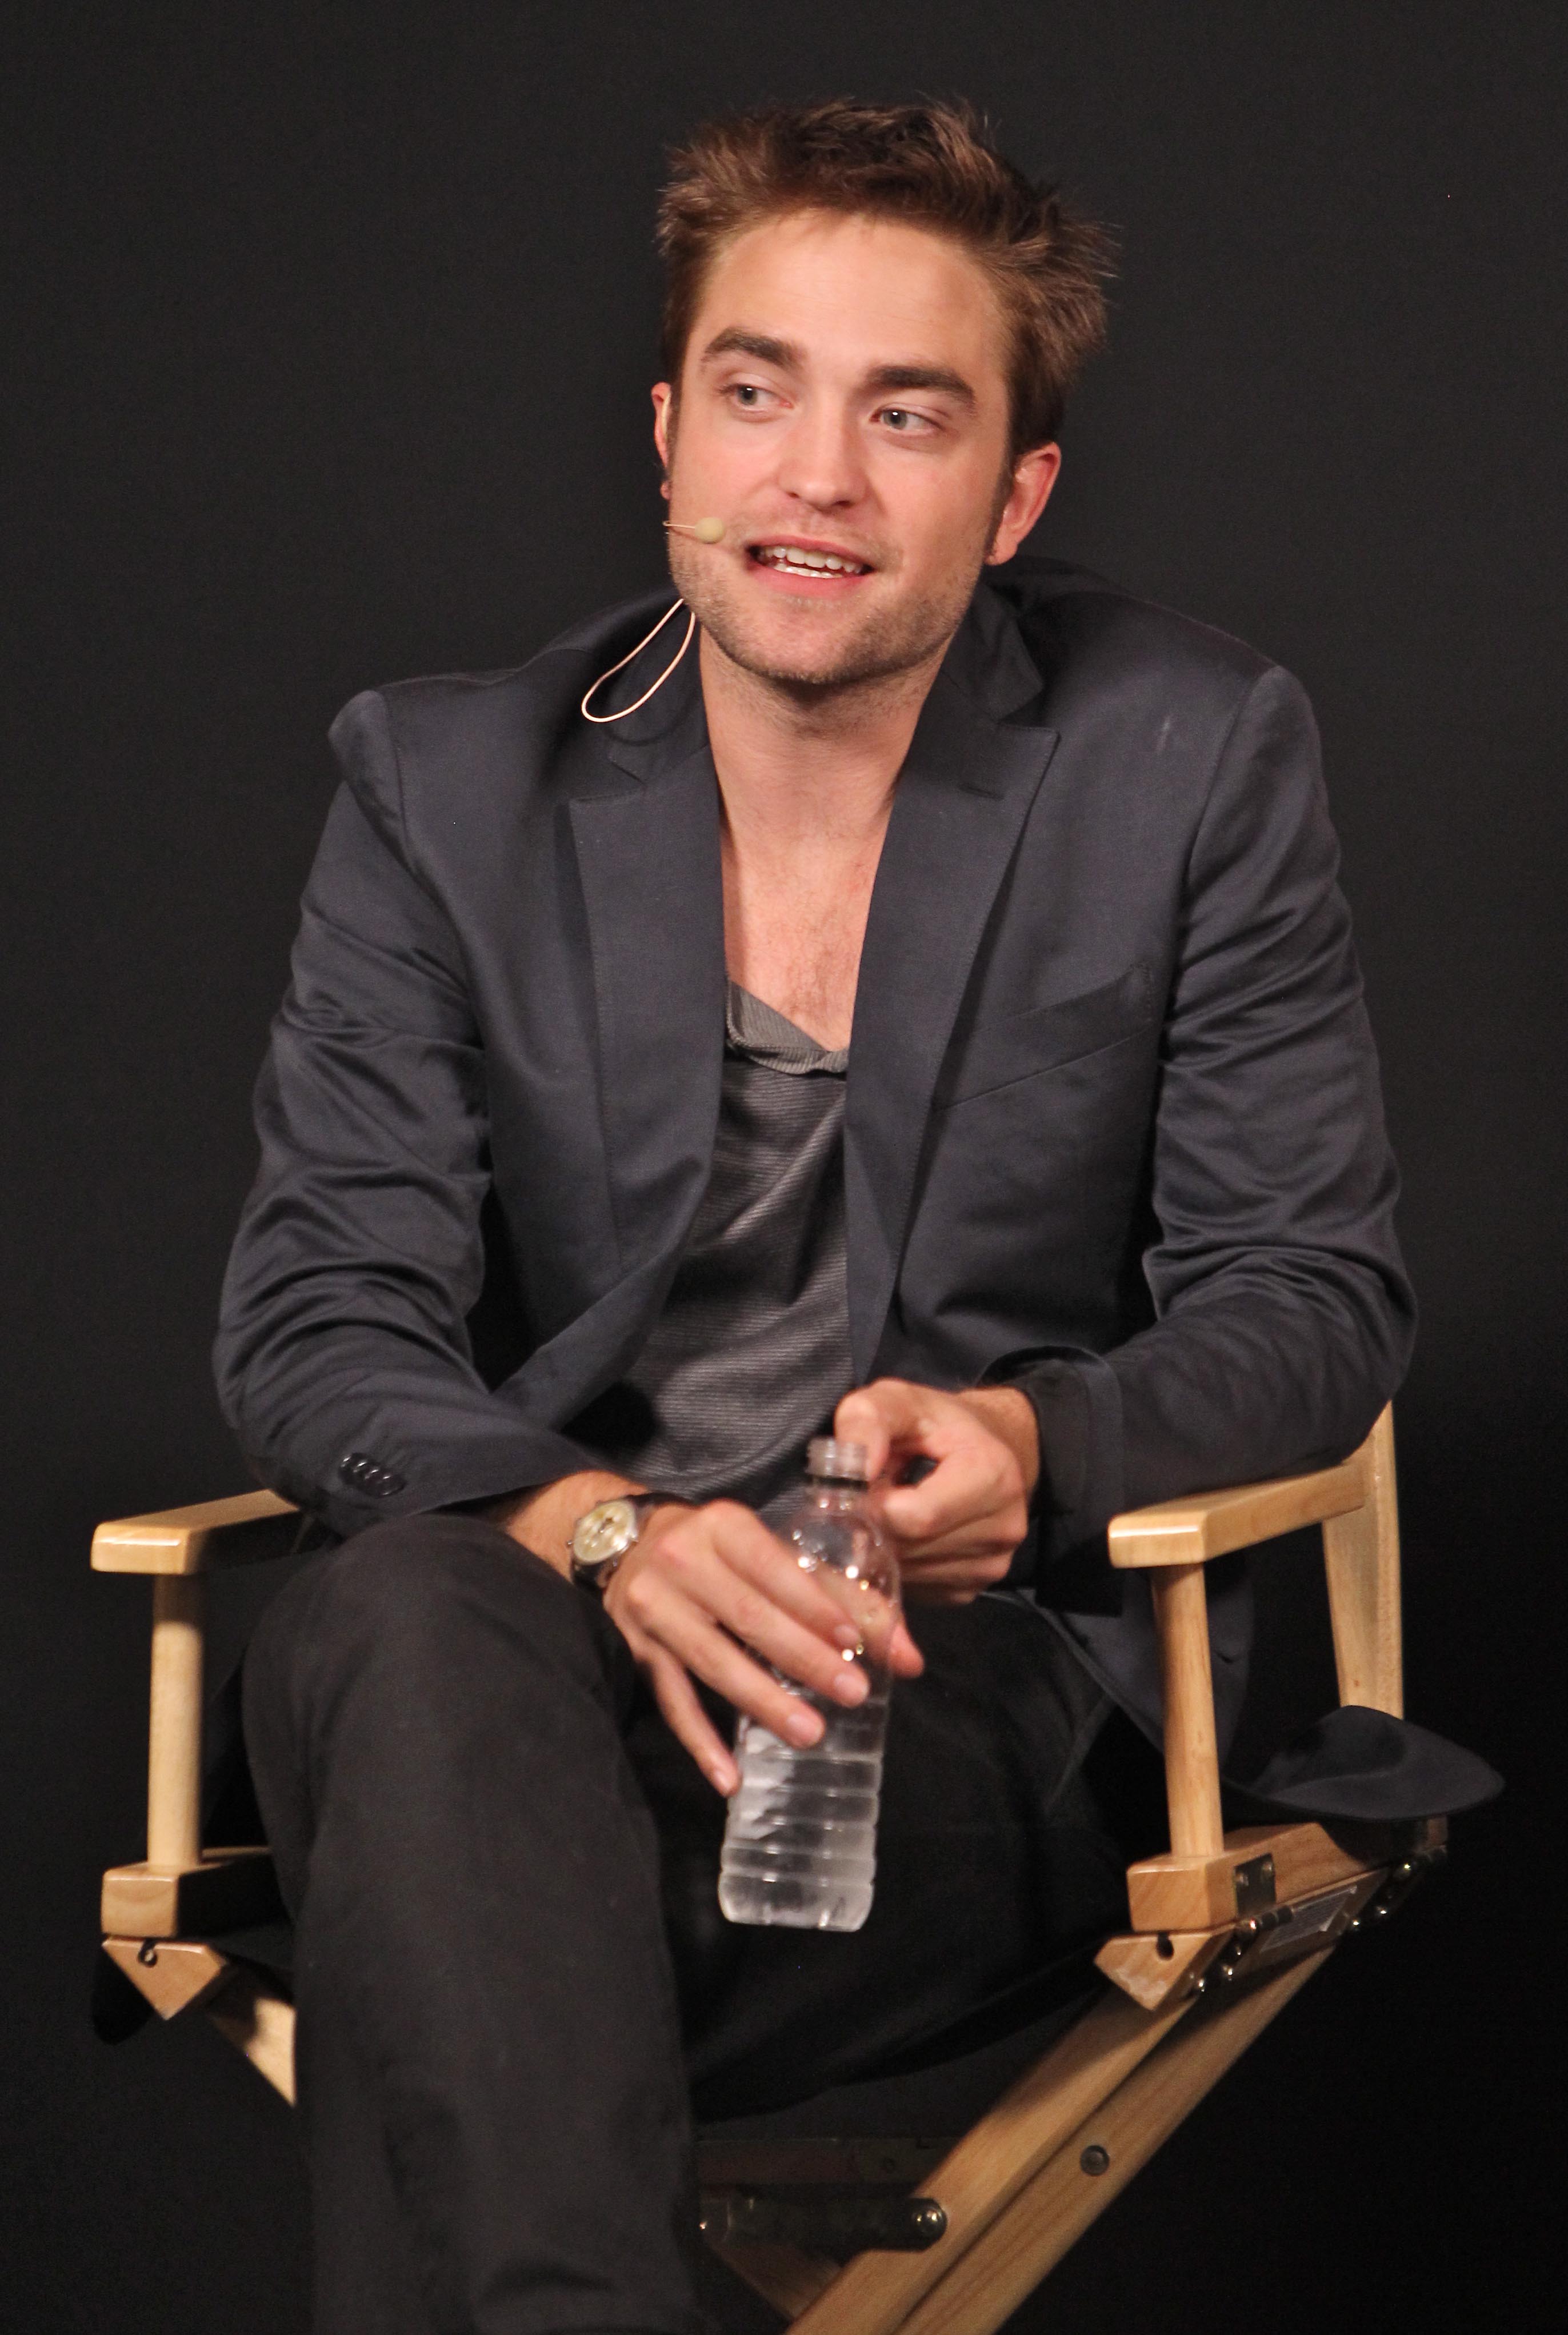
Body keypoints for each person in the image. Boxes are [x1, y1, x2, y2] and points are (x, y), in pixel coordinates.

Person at [217, 99, 1414, 2335]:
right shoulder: (444, 786)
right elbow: (316, 1318)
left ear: (1015, 493)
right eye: (758, 391)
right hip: (500, 1675)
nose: (817, 478)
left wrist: (1040, 1441)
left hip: (947, 1696)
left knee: (440, 1960)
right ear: (670, 434)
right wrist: (600, 1527)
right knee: (410, 1625)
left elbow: (1311, 1292)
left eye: (907, 414)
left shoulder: (1183, 753)